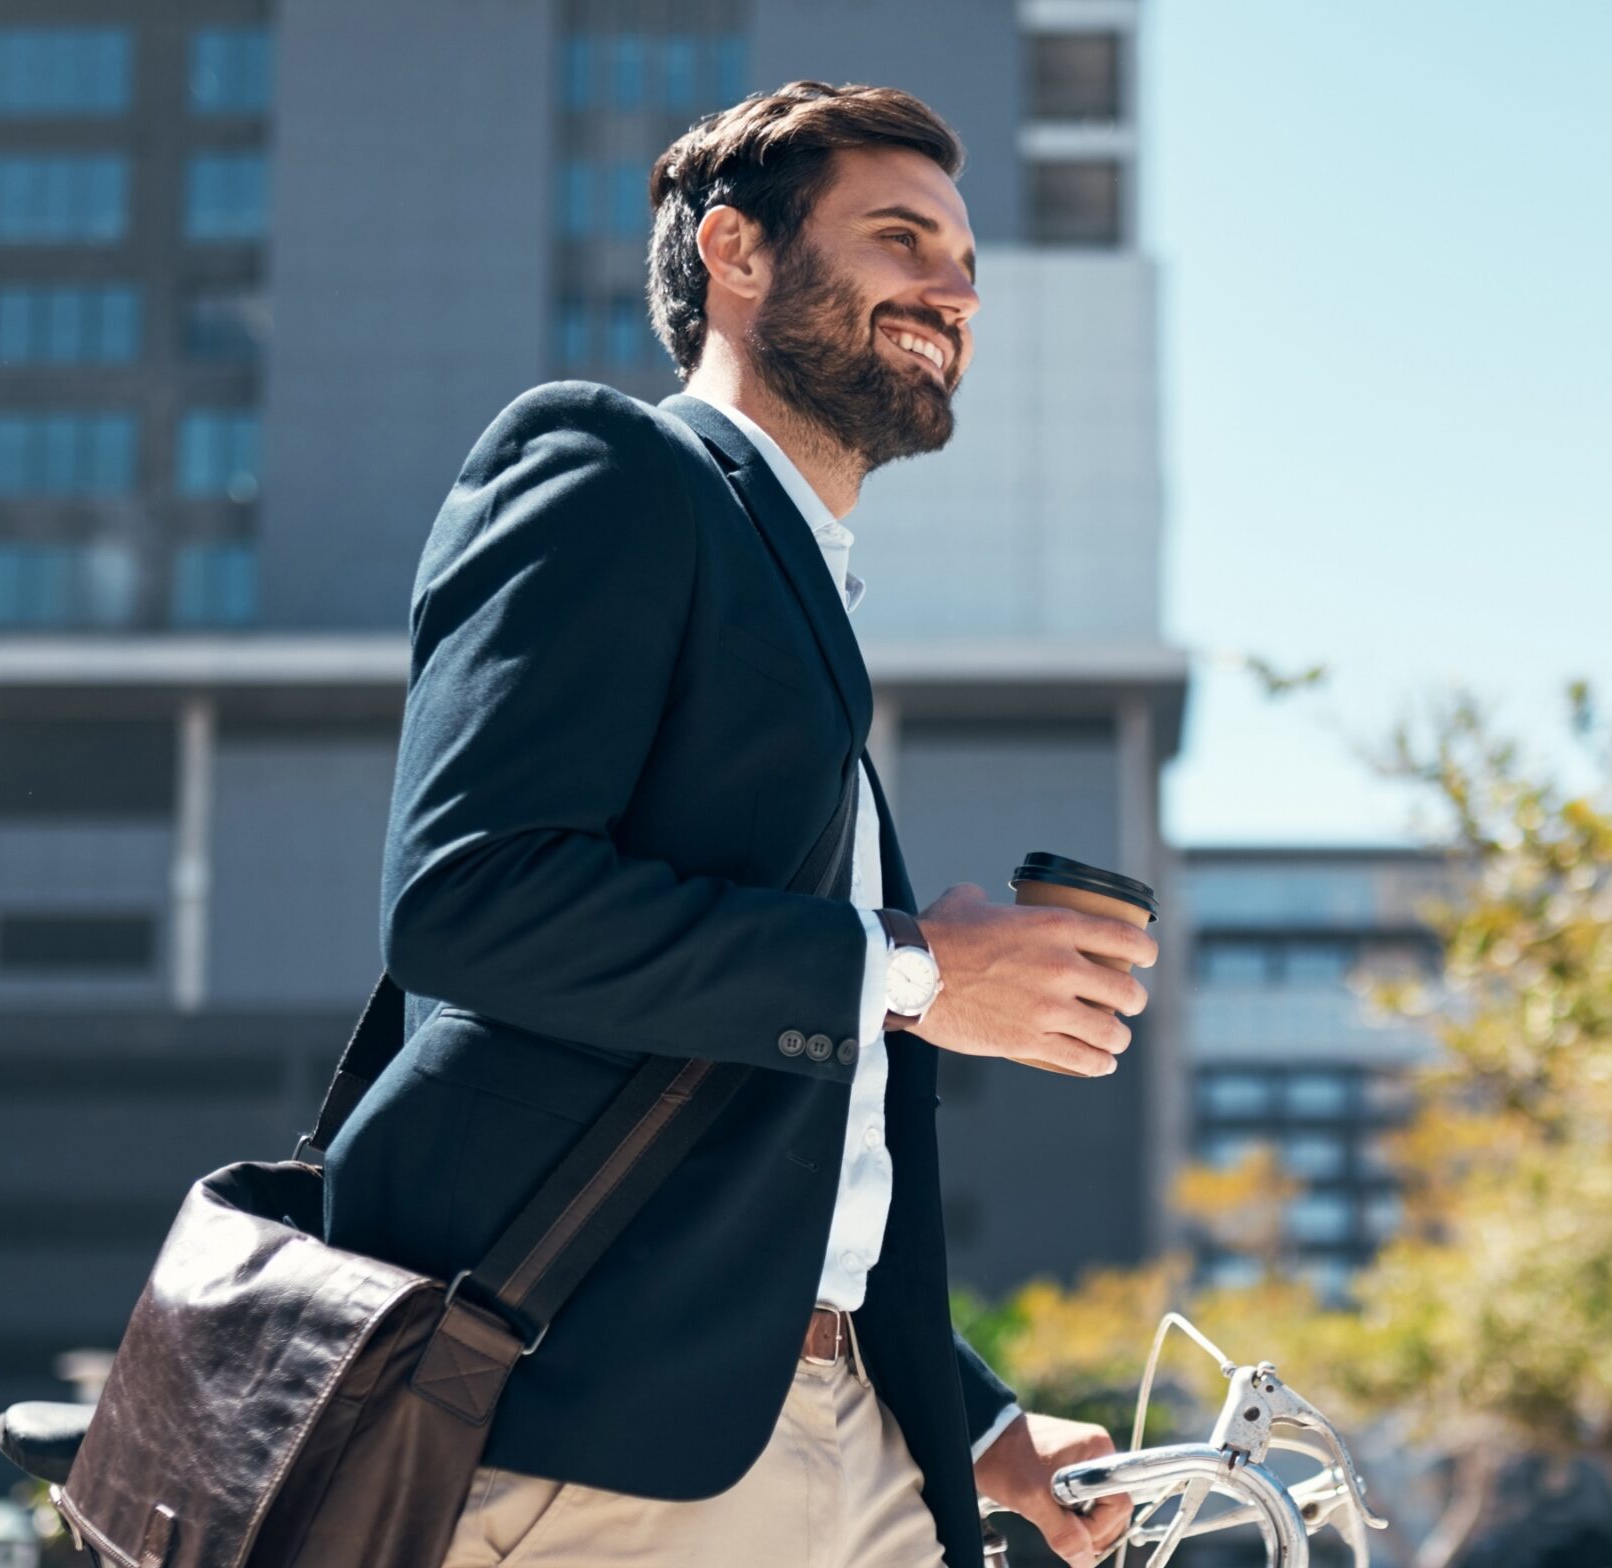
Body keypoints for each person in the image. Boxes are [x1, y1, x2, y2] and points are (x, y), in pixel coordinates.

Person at [321, 80, 1150, 1568]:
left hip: (854, 1440)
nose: (953, 290)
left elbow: (784, 1142)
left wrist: (967, 1425)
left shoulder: (801, 587)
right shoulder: (610, 472)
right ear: (736, 253)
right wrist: (914, 973)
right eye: (902, 238)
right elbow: (471, 899)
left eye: (965, 266)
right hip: (608, 1458)